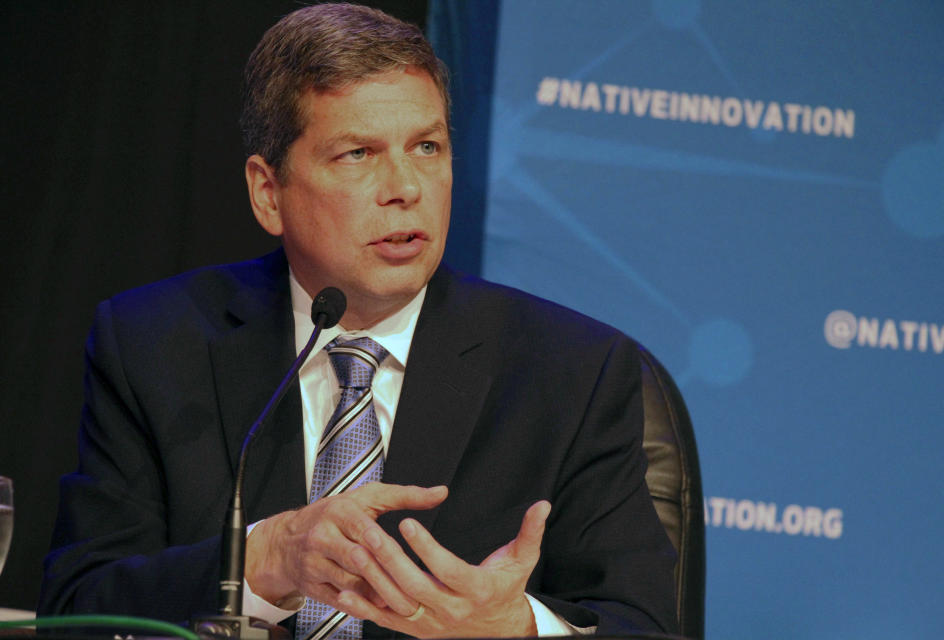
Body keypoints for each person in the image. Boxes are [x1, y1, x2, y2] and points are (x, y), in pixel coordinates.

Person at [39, 4, 678, 638]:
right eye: (357, 154)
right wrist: (265, 558)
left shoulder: (571, 371)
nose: (405, 186)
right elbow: (78, 613)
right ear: (268, 192)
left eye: (427, 146)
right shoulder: (155, 344)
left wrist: (516, 628)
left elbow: (642, 624)